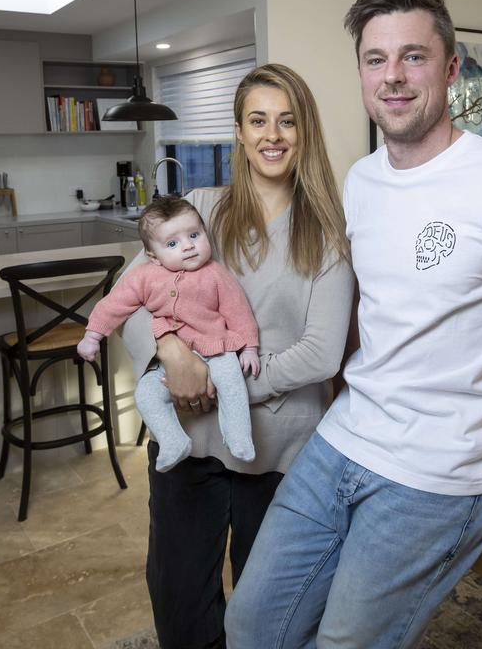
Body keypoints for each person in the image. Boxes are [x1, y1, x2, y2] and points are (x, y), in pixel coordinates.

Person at [225, 0, 482, 648]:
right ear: (360, 74)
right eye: (376, 60)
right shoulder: (362, 180)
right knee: (251, 624)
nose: (395, 76)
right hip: (345, 440)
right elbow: (368, 317)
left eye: (414, 56)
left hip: (442, 472)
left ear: (451, 67)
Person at [119, 63, 354, 649]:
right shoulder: (199, 209)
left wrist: (217, 384)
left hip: (278, 458)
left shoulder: (327, 233)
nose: (272, 135)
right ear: (240, 132)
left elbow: (321, 355)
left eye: (287, 121)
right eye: (258, 120)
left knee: (264, 626)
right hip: (189, 446)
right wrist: (170, 351)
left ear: (305, 133)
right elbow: (127, 302)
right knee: (180, 610)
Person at [77, 196, 260, 472]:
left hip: (215, 348)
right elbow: (114, 304)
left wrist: (249, 348)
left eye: (194, 235)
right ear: (153, 255)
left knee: (232, 380)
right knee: (145, 395)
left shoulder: (215, 274)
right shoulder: (143, 276)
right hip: (166, 362)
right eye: (172, 244)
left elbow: (239, 311)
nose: (188, 246)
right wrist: (93, 335)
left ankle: (239, 436)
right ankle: (173, 441)